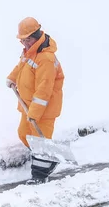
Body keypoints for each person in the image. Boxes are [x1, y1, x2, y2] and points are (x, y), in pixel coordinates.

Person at [6, 17, 65, 184]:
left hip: (44, 110)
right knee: (24, 134)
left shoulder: (45, 58)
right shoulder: (30, 51)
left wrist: (35, 113)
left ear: (37, 35)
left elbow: (44, 89)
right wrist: (12, 78)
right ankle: (49, 159)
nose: (25, 44)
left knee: (40, 142)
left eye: (28, 40)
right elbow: (21, 66)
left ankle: (39, 176)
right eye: (22, 40)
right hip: (28, 106)